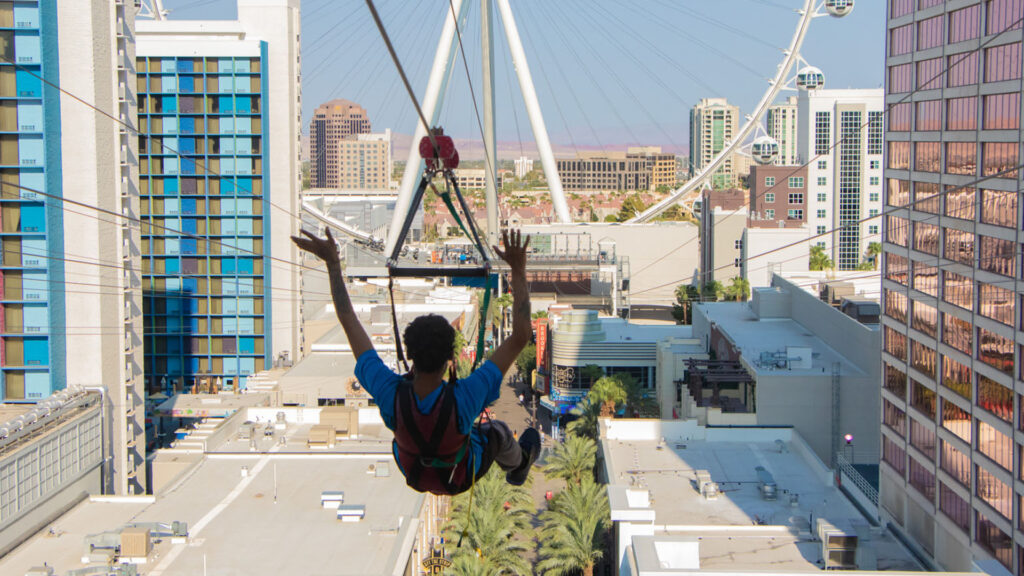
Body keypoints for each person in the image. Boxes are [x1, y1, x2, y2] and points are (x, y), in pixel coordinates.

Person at [292, 228, 540, 496]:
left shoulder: (390, 393)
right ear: (450, 360)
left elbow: (347, 318)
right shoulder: (466, 397)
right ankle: (520, 465)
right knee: (498, 431)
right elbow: (521, 336)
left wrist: (332, 264)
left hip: (416, 473)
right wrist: (517, 268)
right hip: (458, 475)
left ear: (409, 355)